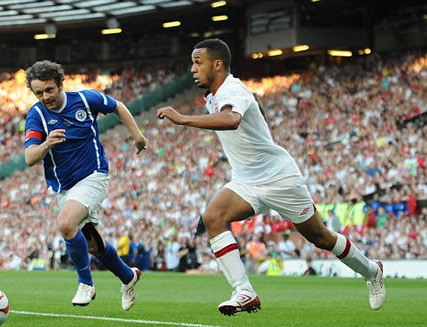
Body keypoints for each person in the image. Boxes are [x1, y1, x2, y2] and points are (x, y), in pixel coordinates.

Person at [157, 39, 385, 316]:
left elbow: (231, 120)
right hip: (247, 181)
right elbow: (249, 113)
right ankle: (244, 291)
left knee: (321, 238)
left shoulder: (232, 89)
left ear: (217, 64)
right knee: (213, 217)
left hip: (280, 178)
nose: (192, 69)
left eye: (197, 62)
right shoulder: (217, 95)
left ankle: (372, 271)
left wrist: (182, 118)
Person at [24, 60, 147, 310]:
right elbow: (29, 158)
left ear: (60, 84)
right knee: (94, 245)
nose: (45, 96)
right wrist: (47, 144)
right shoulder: (36, 115)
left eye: (49, 90)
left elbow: (119, 107)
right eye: (39, 92)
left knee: (66, 224)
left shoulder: (85, 99)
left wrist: (138, 136)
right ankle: (128, 276)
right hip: (64, 187)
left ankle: (86, 284)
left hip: (93, 175)